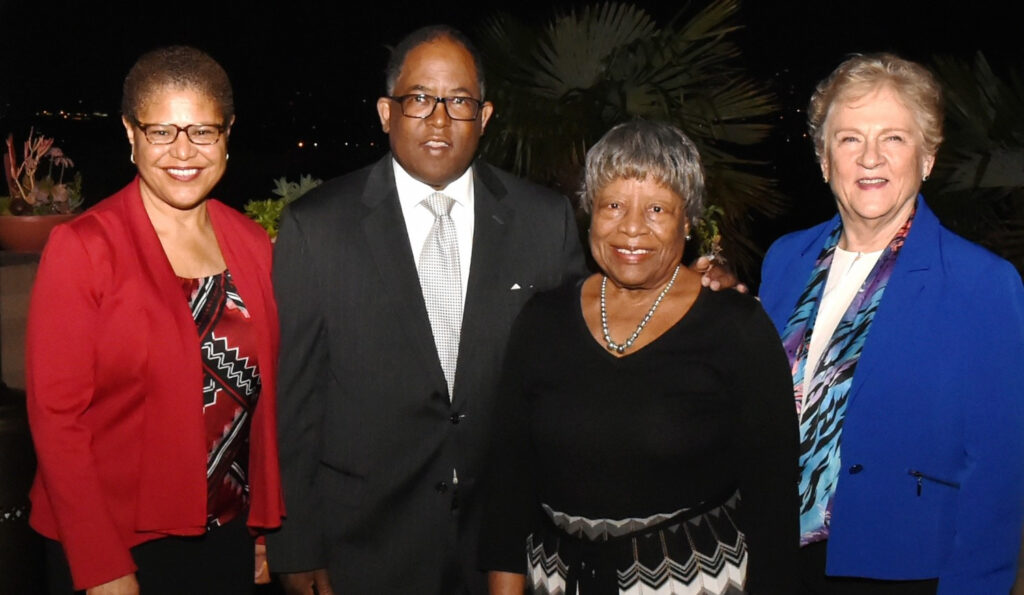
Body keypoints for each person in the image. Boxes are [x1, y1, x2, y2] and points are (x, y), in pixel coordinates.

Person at [479, 120, 799, 595]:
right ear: (589, 211)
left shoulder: (737, 329)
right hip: (558, 581)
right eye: (612, 205)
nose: (631, 228)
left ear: (687, 221)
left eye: (656, 208)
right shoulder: (541, 320)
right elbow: (508, 485)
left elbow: (773, 507)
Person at [759, 53, 1024, 594]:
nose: (870, 158)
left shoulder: (982, 283)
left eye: (895, 138)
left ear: (927, 156)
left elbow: (997, 475)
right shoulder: (785, 259)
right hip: (776, 559)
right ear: (824, 157)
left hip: (905, 568)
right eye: (850, 139)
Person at [25, 46, 284, 594]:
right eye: (162, 131)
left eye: (203, 131)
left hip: (227, 532)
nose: (183, 151)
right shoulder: (82, 248)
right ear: (130, 134)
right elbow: (56, 420)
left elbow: (263, 401)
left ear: (228, 132)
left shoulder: (252, 242)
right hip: (115, 539)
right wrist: (103, 565)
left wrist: (265, 527)